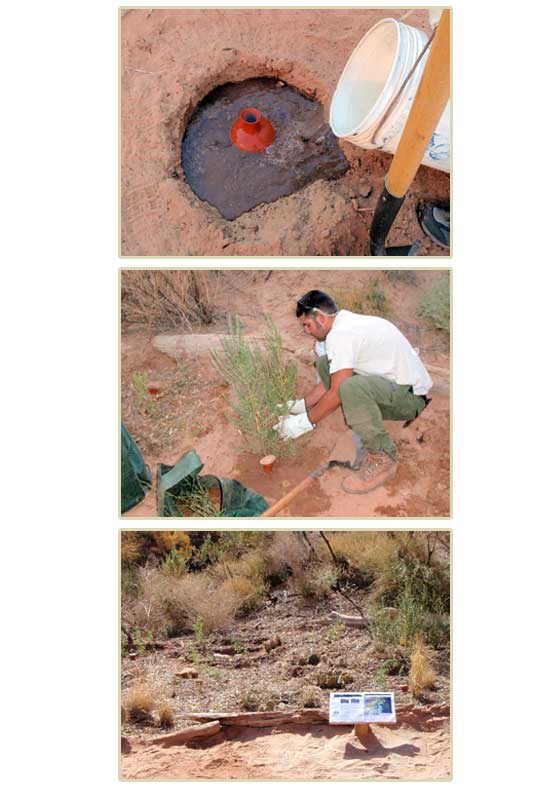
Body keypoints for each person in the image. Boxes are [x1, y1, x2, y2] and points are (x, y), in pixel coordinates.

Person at [273, 290, 433, 494]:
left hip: (410, 399)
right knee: (325, 365)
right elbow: (328, 383)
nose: (306, 331)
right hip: (393, 387)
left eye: (307, 325)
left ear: (321, 318)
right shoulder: (345, 325)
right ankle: (359, 415)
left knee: (349, 388)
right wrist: (299, 407)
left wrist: (304, 423)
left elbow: (339, 388)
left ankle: (383, 457)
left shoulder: (341, 334)